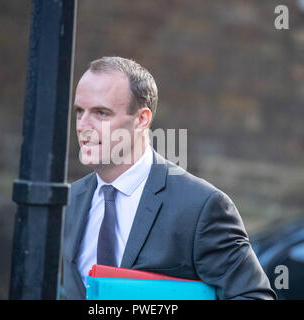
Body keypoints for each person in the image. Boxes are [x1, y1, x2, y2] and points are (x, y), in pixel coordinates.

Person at [62, 56, 276, 300]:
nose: (83, 126)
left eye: (101, 113)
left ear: (141, 119)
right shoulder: (67, 202)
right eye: (80, 111)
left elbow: (254, 297)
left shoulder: (201, 207)